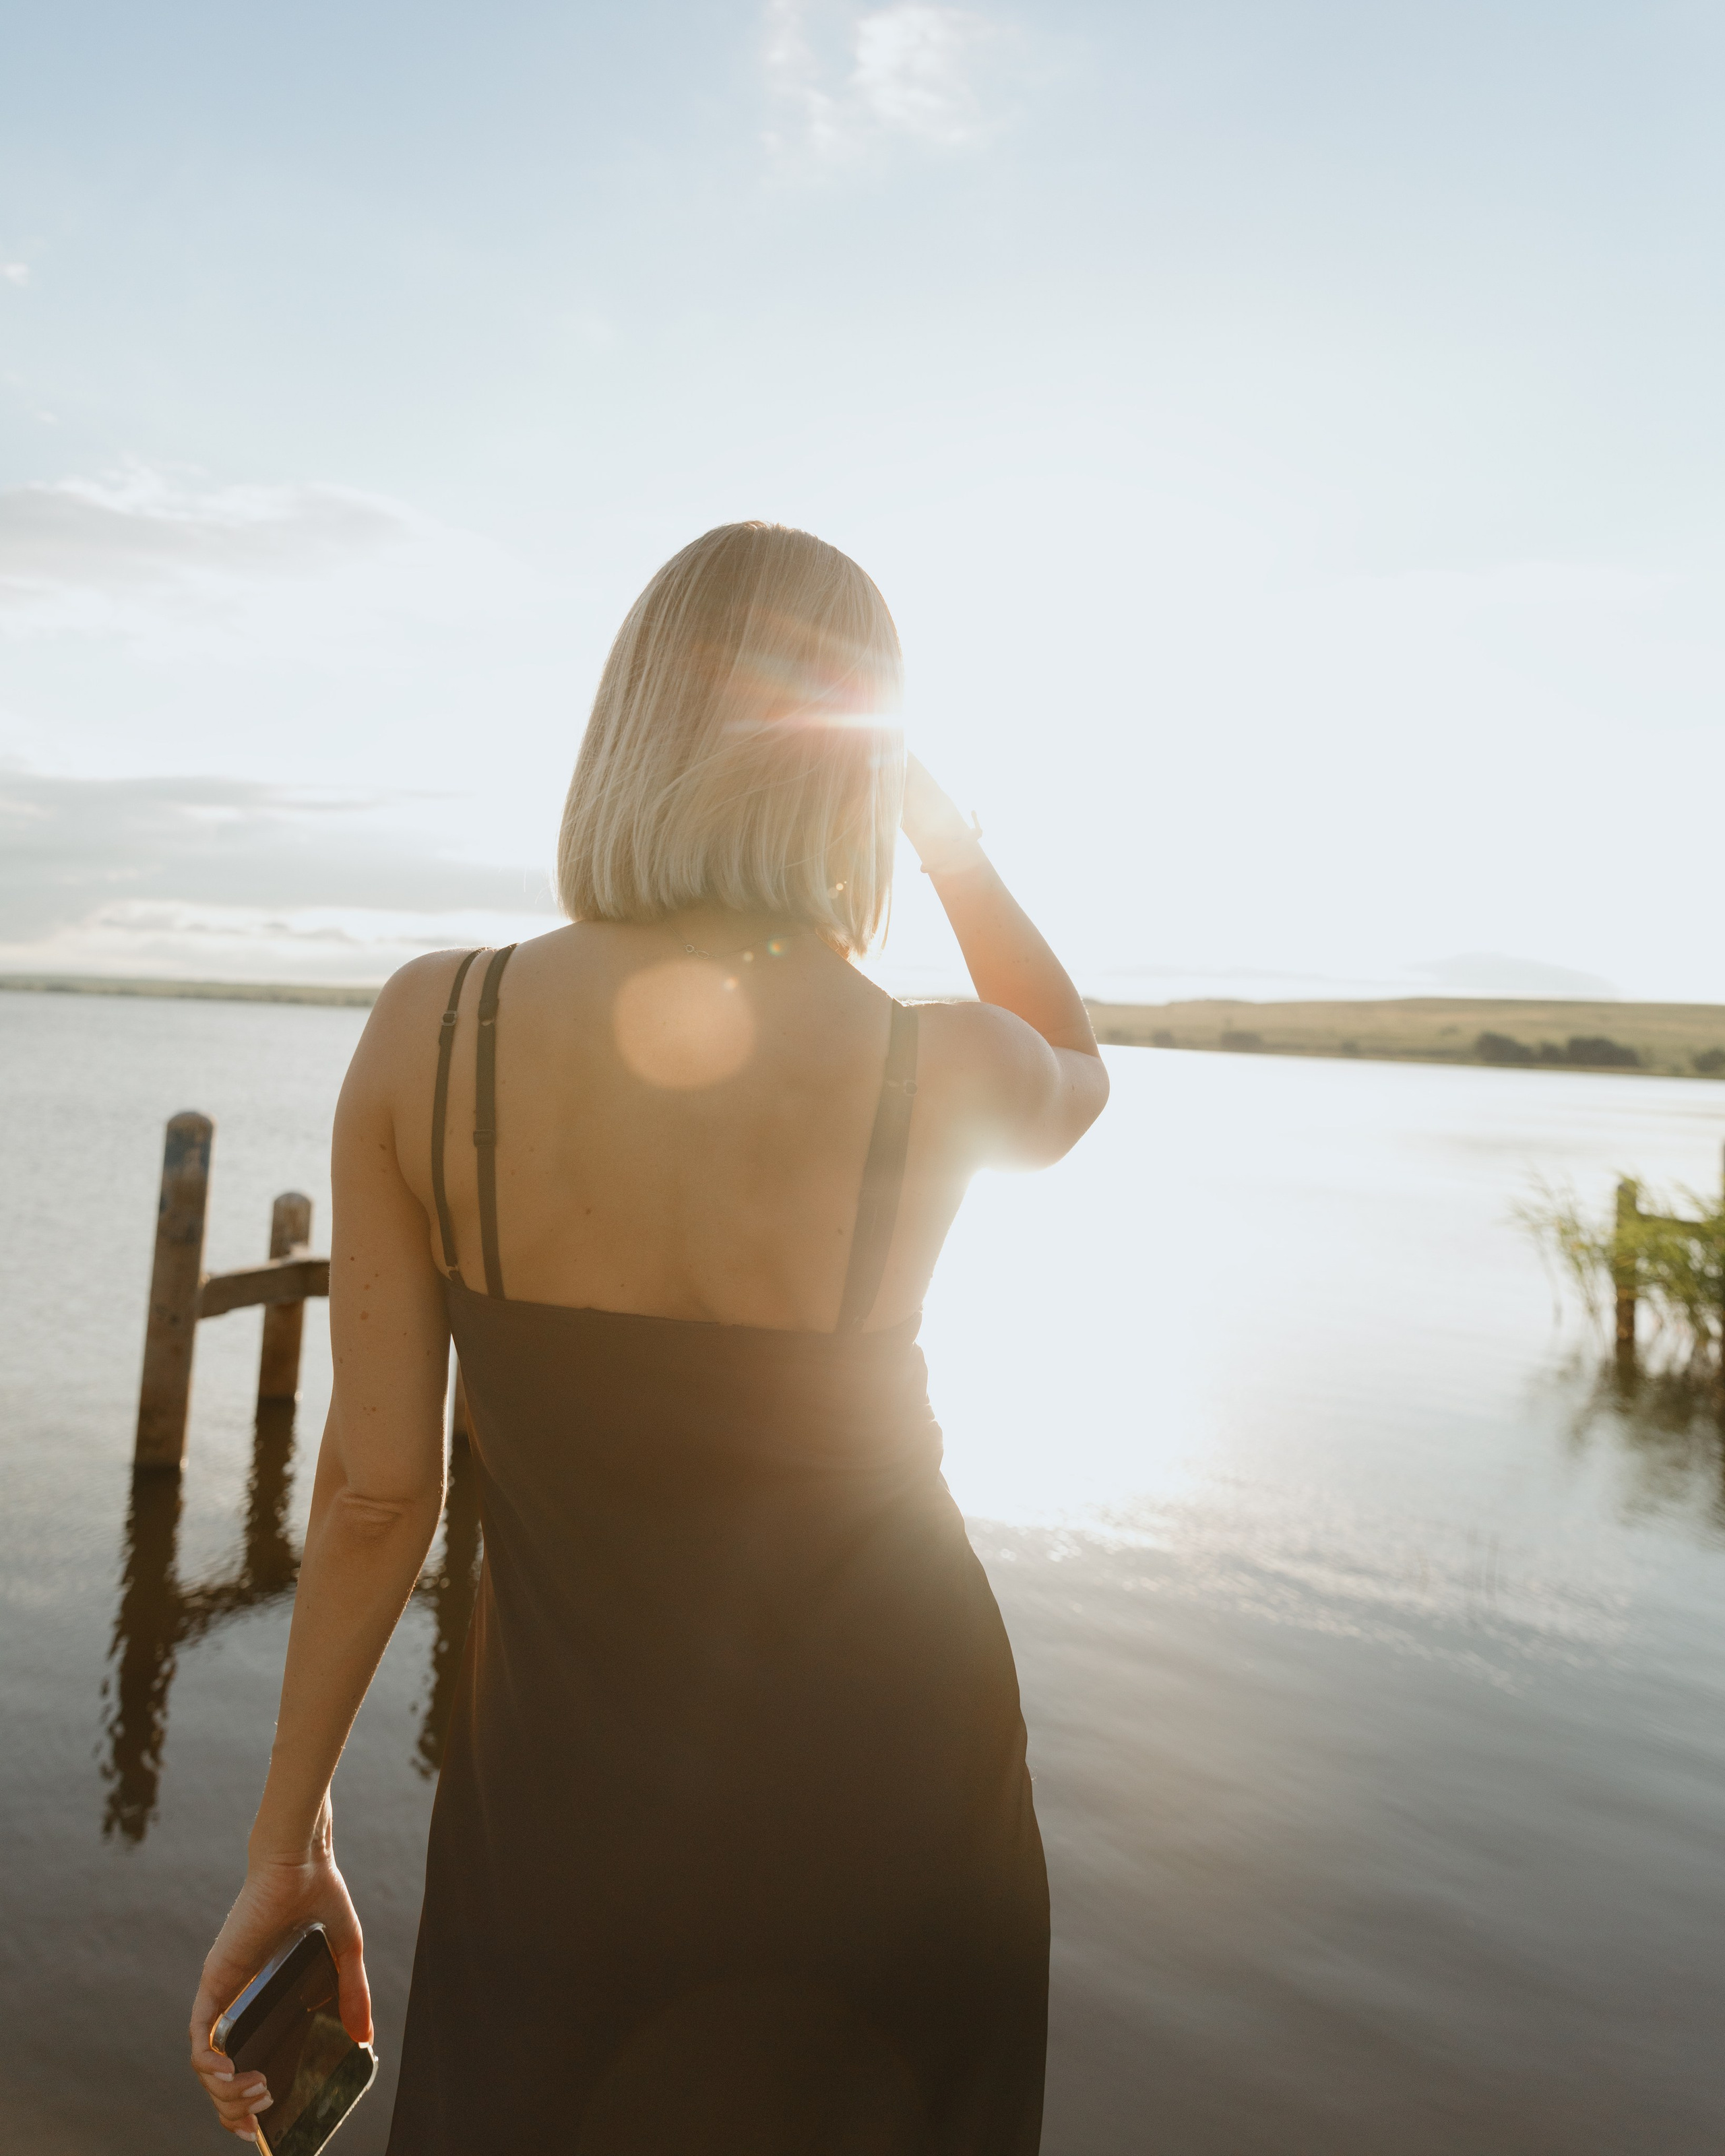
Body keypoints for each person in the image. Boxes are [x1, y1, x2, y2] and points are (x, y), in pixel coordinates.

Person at [189, 521, 1108, 2153]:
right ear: (852, 774)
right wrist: (945, 836)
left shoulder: (433, 1031)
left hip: (561, 1821)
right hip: (905, 1794)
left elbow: (378, 1496)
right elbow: (1075, 1066)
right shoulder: (936, 1063)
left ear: (625, 732)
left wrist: (288, 1840)